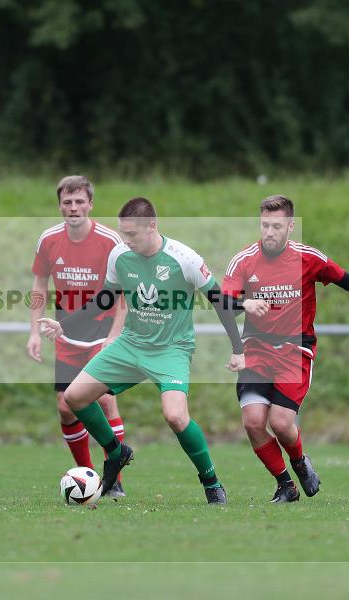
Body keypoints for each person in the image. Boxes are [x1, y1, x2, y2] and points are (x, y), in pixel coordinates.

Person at [38, 197, 245, 505]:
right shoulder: (120, 255)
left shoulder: (184, 258)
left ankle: (211, 482)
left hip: (171, 349)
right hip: (131, 344)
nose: (126, 240)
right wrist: (63, 325)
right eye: (123, 233)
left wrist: (238, 349)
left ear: (152, 226)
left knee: (175, 416)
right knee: (74, 397)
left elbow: (220, 302)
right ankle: (116, 452)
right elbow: (105, 300)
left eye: (132, 234)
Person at [222, 195, 349, 503]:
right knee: (253, 422)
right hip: (256, 351)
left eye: (276, 226)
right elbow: (222, 302)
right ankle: (285, 485)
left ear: (290, 226)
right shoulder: (245, 260)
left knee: (281, 423)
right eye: (264, 225)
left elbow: (346, 279)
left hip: (294, 351)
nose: (269, 232)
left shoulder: (307, 257)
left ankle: (299, 461)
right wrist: (243, 309)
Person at [26, 176, 129, 497]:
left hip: (102, 333)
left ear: (90, 205)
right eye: (67, 202)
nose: (73, 207)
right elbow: (39, 285)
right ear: (60, 206)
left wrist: (114, 336)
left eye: (79, 201)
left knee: (105, 399)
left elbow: (125, 293)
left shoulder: (110, 240)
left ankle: (115, 480)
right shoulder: (49, 240)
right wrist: (33, 331)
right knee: (65, 407)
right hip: (67, 334)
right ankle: (89, 478)